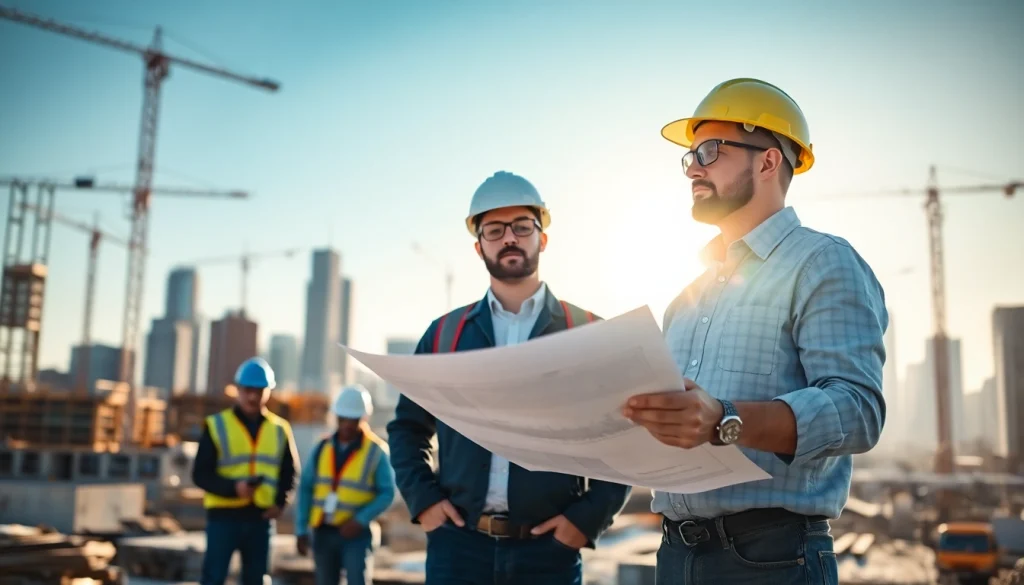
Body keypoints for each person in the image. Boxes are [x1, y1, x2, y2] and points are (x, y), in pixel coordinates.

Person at [621, 78, 888, 584]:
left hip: (770, 559)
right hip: (675, 556)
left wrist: (725, 419)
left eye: (708, 151)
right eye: (689, 157)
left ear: (768, 161)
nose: (692, 168)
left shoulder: (823, 263)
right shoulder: (686, 297)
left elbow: (858, 410)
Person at [387, 170, 632, 585]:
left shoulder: (589, 332)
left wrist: (587, 519)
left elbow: (625, 435)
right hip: (458, 549)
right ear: (478, 245)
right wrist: (424, 501)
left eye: (522, 226)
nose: (509, 238)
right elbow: (408, 428)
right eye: (495, 230)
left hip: (549, 553)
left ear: (543, 238)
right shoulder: (446, 334)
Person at [191, 356, 299, 585]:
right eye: (248, 390)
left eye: (259, 391)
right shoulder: (217, 425)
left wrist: (280, 503)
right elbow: (200, 474)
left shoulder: (280, 429)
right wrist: (233, 488)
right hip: (223, 516)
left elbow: (289, 473)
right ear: (238, 390)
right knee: (213, 578)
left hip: (260, 518)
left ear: (268, 392)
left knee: (256, 580)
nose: (253, 396)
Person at [294, 384, 395, 585]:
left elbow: (387, 493)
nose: (347, 424)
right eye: (343, 419)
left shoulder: (376, 452)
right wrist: (301, 529)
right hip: (323, 532)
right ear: (336, 418)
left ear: (363, 418)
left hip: (357, 534)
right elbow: (305, 489)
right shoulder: (322, 448)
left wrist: (360, 520)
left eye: (353, 419)